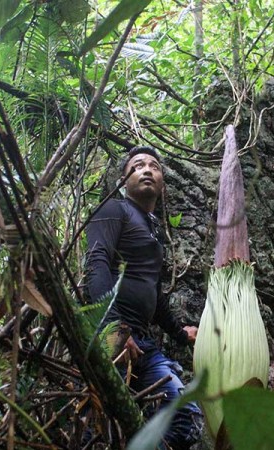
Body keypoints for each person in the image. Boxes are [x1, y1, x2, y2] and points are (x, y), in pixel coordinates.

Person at [84, 146, 203, 449]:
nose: (147, 169)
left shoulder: (154, 231)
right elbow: (97, 265)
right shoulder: (113, 210)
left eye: (153, 166)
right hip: (110, 337)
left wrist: (179, 333)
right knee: (96, 427)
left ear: (162, 183)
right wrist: (112, 328)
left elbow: (154, 291)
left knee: (185, 419)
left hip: (142, 342)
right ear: (124, 181)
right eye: (137, 166)